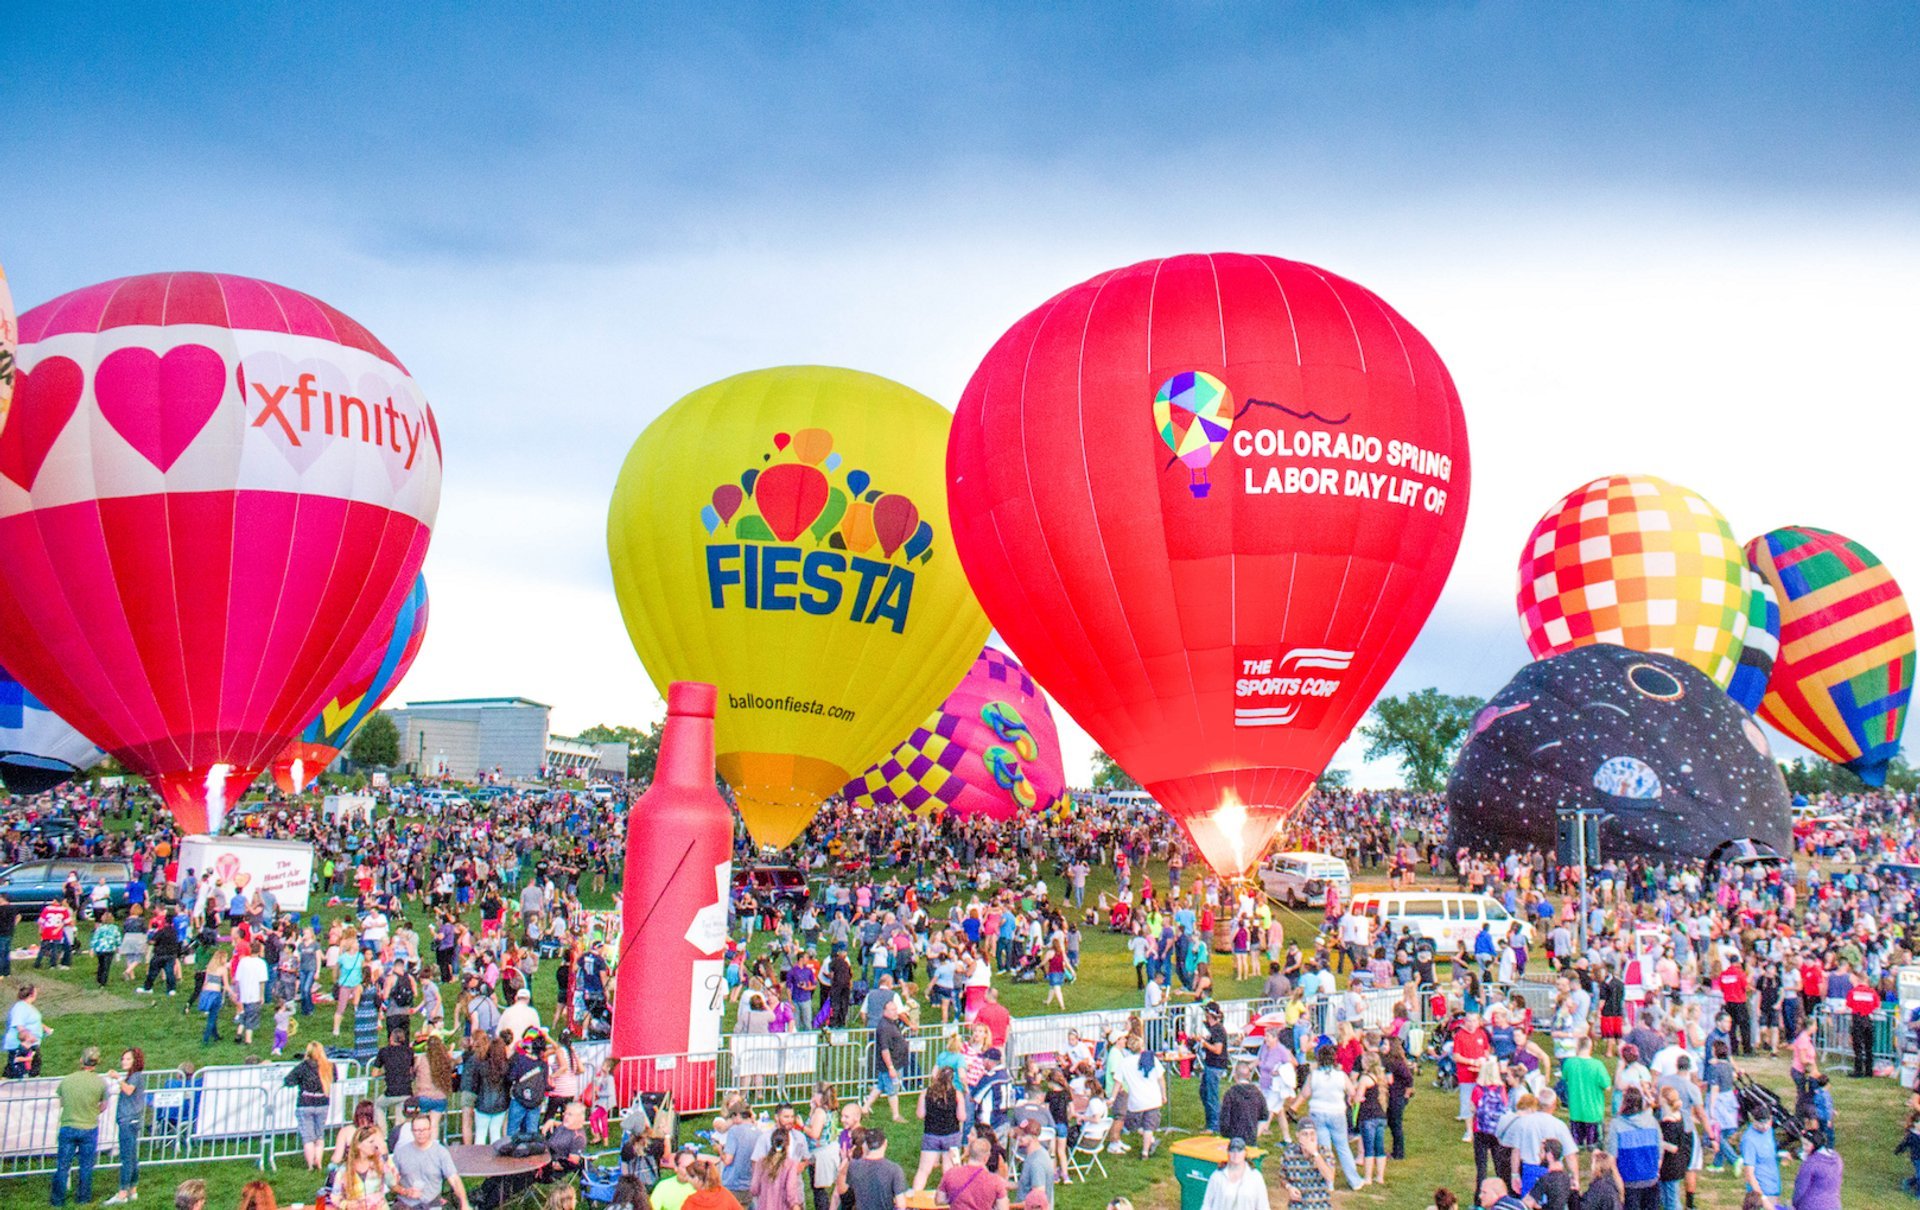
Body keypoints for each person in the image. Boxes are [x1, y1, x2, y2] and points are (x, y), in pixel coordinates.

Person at [1294, 1042, 1364, 1192]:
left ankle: (1328, 1182)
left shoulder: (1314, 1075)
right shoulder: (1341, 1075)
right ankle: (1354, 1180)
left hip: (1317, 1113)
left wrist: (1294, 1106)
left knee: (1324, 1149)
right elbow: (1352, 1092)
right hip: (1337, 1113)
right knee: (1343, 1147)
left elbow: (1305, 1093)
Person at [52, 1046, 111, 1208]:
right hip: (89, 1127)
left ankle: (58, 1200)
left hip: (68, 1125)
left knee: (63, 1165)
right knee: (86, 1165)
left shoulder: (68, 1079)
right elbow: (104, 1105)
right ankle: (83, 1198)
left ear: (80, 1061)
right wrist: (92, 1111)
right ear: (97, 1063)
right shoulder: (101, 1082)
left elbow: (61, 1102)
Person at [392, 1112, 470, 1210]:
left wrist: (464, 1203)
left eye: (424, 1130)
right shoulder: (401, 1153)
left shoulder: (441, 1152)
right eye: (417, 1130)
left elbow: (454, 1179)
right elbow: (391, 1182)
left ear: (430, 1130)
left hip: (431, 1204)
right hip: (406, 1204)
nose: (421, 1133)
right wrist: (404, 1191)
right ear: (412, 1131)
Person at [1603, 1088, 1660, 1210]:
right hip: (1651, 1179)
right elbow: (1659, 1151)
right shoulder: (1652, 1122)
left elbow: (1611, 1157)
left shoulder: (1616, 1125)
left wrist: (1618, 1182)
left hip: (1628, 1181)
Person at [105, 1047, 148, 1205]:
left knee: (127, 1158)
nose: (124, 1061)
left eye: (128, 1059)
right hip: (130, 1120)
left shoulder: (135, 1076)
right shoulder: (134, 1076)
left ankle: (122, 1193)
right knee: (132, 1157)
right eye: (123, 1059)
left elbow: (129, 1090)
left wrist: (117, 1078)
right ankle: (132, 1190)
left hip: (128, 1121)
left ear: (135, 1061)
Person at [913, 1065, 964, 1191]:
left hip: (931, 1135)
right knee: (949, 1171)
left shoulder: (926, 1092)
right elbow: (962, 1116)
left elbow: (920, 1114)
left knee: (923, 1171)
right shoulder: (957, 1094)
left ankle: (914, 1199)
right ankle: (950, 1198)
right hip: (951, 1136)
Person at [286, 1041, 335, 1169]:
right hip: (323, 1103)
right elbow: (335, 1078)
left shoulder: (303, 1067)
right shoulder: (329, 1066)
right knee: (319, 1136)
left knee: (308, 1137)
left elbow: (289, 1080)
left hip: (305, 1103)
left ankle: (310, 1166)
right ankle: (318, 1161)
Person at [937, 1134, 1009, 1210]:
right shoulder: (995, 1181)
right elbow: (1003, 1207)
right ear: (986, 1157)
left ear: (968, 1153)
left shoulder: (951, 1174)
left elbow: (939, 1200)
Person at [846, 1128, 908, 1210]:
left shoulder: (853, 1166)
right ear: (885, 1143)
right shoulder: (894, 1169)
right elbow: (901, 1205)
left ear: (865, 1145)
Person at [869, 1000, 910, 1122]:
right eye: (892, 1010)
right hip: (890, 1064)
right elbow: (885, 1050)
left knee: (880, 1086)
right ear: (885, 1011)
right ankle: (896, 1115)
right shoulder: (884, 1027)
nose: (895, 1012)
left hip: (894, 1062)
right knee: (893, 1090)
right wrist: (891, 1067)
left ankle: (865, 1108)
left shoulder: (891, 1023)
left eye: (895, 1009)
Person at [1199, 1136, 1267, 1210]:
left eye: (1239, 1151)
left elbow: (1263, 1206)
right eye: (1232, 1151)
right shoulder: (1217, 1177)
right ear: (1228, 1153)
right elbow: (1207, 1205)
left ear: (1245, 1153)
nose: (1235, 1154)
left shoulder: (1255, 1177)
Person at [751, 1127, 806, 1210]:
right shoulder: (790, 1164)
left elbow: (754, 1189)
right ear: (788, 1144)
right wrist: (795, 1205)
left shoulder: (761, 1163)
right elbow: (790, 1191)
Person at [1197, 1001, 1231, 1133]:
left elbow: (1217, 1049)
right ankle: (1210, 1121)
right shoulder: (1213, 1029)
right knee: (1204, 1092)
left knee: (1211, 1095)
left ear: (1209, 1014)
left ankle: (1214, 1125)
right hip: (1210, 1064)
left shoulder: (1218, 1030)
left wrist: (1204, 1043)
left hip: (1215, 1065)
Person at [1216, 1061, 1266, 1149]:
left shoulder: (1231, 1093)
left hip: (1233, 1138)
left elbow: (1225, 1118)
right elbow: (1264, 1117)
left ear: (1235, 1077)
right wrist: (1255, 1134)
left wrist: (1224, 1135)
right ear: (1249, 1076)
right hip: (1251, 1138)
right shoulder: (1258, 1094)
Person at [1788, 1133, 1842, 1210]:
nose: (1803, 1148)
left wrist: (1794, 1204)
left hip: (1811, 1205)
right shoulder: (1837, 1158)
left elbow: (1800, 1188)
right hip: (1834, 1204)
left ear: (1814, 1145)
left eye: (1806, 1145)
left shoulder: (1810, 1163)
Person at [1738, 1106, 1780, 1205]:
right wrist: (1762, 1198)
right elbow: (1749, 1174)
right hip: (1762, 1190)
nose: (1764, 1126)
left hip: (1774, 1187)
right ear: (1754, 1120)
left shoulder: (1769, 1131)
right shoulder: (1749, 1140)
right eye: (1761, 1123)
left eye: (1767, 1122)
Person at [6, 983, 47, 1077]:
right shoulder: (20, 1007)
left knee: (13, 1069)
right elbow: (19, 1025)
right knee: (30, 1066)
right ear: (31, 994)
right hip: (23, 1044)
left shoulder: (28, 1007)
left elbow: (33, 1021)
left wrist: (45, 1028)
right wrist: (27, 1039)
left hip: (30, 1042)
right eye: (35, 992)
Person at [1013, 1122, 1055, 1208]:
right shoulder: (1034, 1154)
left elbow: (1037, 1203)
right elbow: (1025, 1184)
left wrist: (1009, 1206)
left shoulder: (1037, 1163)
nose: (1018, 1138)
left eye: (1022, 1135)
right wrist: (1003, 1184)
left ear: (1032, 1137)